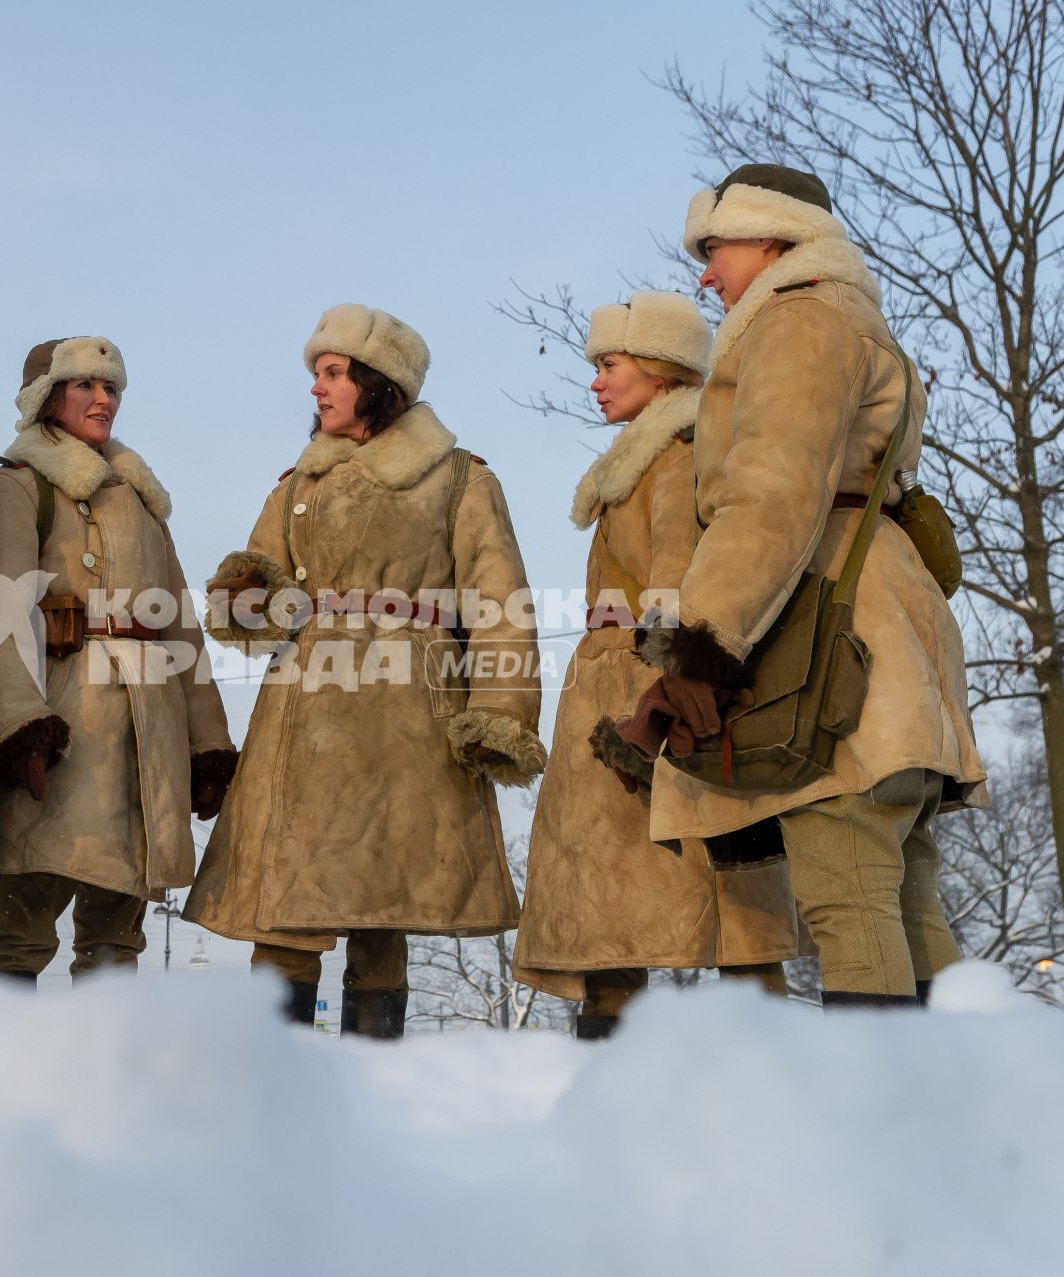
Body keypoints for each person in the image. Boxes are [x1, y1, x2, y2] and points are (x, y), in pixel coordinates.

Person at [620, 164, 987, 1007]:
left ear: (771, 235)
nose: (705, 273)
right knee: (904, 897)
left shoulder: (799, 320)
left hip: (836, 636)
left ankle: (880, 1126)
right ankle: (970, 1107)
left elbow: (772, 495)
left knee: (849, 898)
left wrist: (698, 642)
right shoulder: (850, 318)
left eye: (714, 248)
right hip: (885, 633)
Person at [184, 304, 545, 1039]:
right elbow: (259, 593)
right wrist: (245, 595)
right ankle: (275, 1081)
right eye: (315, 374)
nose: (316, 389)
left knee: (386, 910)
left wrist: (502, 714)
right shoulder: (295, 487)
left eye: (333, 372)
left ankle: (377, 1082)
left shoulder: (458, 478)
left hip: (408, 716)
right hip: (304, 715)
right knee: (285, 909)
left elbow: (501, 601)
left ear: (380, 382)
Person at [513, 293, 800, 1037]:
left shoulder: (674, 458)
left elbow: (678, 583)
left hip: (644, 685)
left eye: (609, 364)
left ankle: (701, 1050)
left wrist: (662, 699)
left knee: (696, 887)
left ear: (662, 370)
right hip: (615, 673)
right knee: (617, 897)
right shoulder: (639, 462)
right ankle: (634, 1040)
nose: (596, 381)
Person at [0, 337, 236, 983]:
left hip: (147, 745)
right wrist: (17, 727)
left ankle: (108, 1076)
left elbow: (181, 630)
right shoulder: (12, 488)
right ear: (44, 397)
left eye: (111, 387)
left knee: (117, 942)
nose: (104, 398)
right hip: (60, 739)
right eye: (85, 384)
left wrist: (207, 746)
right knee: (21, 932)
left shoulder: (140, 505)